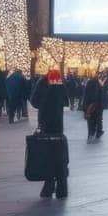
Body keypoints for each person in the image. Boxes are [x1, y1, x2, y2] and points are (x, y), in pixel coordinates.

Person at [35, 69, 69, 198]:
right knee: (59, 156)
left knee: (47, 155)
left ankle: (48, 186)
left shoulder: (43, 84)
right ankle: (62, 189)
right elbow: (66, 101)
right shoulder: (60, 86)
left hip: (45, 124)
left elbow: (34, 101)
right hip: (58, 125)